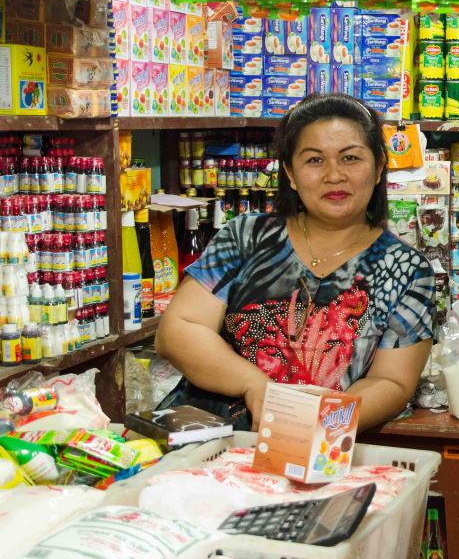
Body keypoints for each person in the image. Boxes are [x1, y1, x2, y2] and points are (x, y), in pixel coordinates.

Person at [156, 94, 435, 430]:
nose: (334, 175)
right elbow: (178, 330)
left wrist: (321, 421)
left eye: (350, 158)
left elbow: (392, 382)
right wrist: (256, 386)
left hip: (319, 447)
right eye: (315, 160)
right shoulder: (246, 235)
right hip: (208, 439)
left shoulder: (405, 269)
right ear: (290, 173)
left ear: (378, 168)